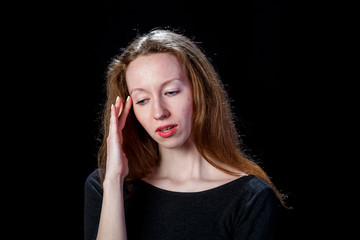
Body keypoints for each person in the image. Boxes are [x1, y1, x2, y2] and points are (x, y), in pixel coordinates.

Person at [84, 29, 284, 240]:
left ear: (200, 91)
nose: (159, 113)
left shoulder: (250, 198)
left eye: (171, 92)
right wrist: (114, 180)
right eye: (142, 100)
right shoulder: (105, 187)